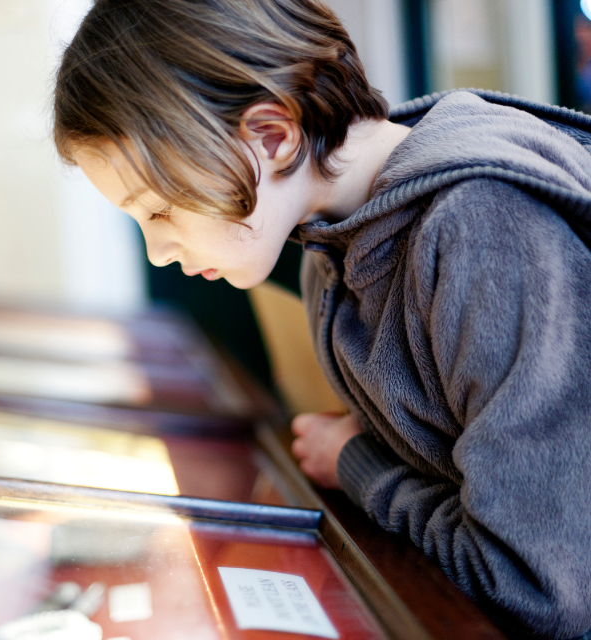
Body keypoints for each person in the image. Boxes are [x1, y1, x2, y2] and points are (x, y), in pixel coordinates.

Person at [52, 1, 591, 637]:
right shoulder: (326, 246)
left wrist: (358, 467)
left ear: (273, 136)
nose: (158, 252)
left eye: (162, 209)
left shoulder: (485, 229)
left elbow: (537, 586)